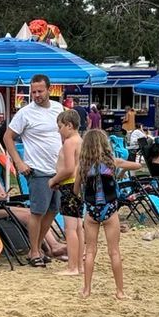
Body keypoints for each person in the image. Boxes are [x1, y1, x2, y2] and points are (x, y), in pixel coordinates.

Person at [76, 127, 142, 300]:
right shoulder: (113, 162)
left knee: (90, 251)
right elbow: (138, 165)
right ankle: (120, 291)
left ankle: (86, 290)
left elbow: (76, 190)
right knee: (114, 252)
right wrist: (120, 172)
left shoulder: (82, 167)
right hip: (110, 210)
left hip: (91, 211)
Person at [6, 75, 66, 262]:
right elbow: (8, 137)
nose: (37, 95)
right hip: (37, 169)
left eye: (40, 91)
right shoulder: (25, 113)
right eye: (33, 92)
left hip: (57, 168)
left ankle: (38, 247)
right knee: (37, 211)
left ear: (49, 90)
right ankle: (34, 251)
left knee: (52, 210)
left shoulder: (58, 108)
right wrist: (19, 162)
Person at [54, 107, 84, 277]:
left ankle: (72, 266)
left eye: (60, 126)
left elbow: (69, 169)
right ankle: (78, 264)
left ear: (69, 126)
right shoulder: (80, 140)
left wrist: (54, 180)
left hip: (68, 185)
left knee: (70, 228)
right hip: (77, 186)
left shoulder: (69, 142)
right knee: (78, 227)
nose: (59, 130)